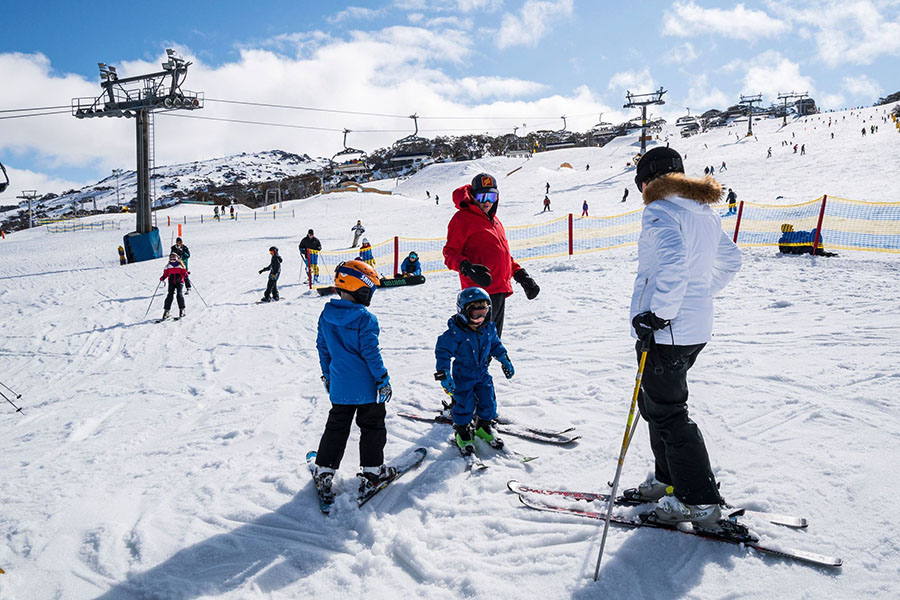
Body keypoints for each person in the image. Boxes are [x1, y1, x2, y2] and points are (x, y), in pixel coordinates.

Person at [627, 146, 742, 528]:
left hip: (668, 330)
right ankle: (668, 479)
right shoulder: (702, 212)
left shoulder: (659, 209)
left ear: (649, 181)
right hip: (692, 328)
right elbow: (731, 261)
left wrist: (658, 313)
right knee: (657, 405)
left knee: (669, 413)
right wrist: (700, 295)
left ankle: (698, 501)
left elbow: (673, 262)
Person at [313, 260, 393, 504]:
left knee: (337, 427)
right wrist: (383, 379)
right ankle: (372, 473)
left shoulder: (326, 316)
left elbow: (323, 348)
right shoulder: (365, 319)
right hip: (368, 388)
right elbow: (371, 354)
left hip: (340, 386)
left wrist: (327, 375)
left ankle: (325, 471)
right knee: (372, 427)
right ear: (362, 289)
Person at [443, 173, 540, 338]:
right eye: (482, 196)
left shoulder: (494, 221)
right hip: (478, 295)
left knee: (492, 344)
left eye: (492, 196)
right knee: (477, 347)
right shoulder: (462, 219)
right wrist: (467, 267)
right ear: (473, 196)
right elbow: (449, 253)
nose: (487, 201)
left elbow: (501, 255)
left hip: (498, 291)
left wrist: (520, 274)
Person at [435, 287, 514, 454]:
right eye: (475, 314)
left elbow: (495, 345)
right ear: (463, 312)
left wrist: (504, 359)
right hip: (463, 376)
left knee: (488, 400)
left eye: (483, 313)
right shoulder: (455, 333)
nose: (480, 319)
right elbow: (443, 352)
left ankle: (483, 427)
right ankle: (462, 431)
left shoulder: (488, 328)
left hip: (483, 374)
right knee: (464, 403)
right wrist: (444, 375)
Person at [159, 252, 189, 320]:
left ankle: (182, 310)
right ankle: (166, 311)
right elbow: (166, 274)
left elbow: (184, 272)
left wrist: (185, 274)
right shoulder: (168, 266)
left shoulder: (180, 265)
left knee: (179, 295)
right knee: (169, 295)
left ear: (177, 259)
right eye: (171, 259)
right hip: (171, 282)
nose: (172, 261)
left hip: (179, 282)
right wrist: (163, 277)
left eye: (174, 259)